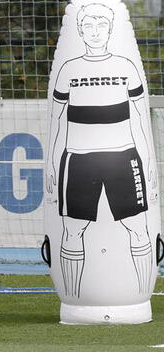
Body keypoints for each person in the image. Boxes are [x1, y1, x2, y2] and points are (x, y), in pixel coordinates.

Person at [46, 3, 155, 297]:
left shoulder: (126, 67)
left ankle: (138, 297)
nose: (95, 32)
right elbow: (57, 122)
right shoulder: (69, 69)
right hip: (78, 160)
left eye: (102, 26)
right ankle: (75, 298)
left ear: (111, 29)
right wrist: (52, 164)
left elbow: (141, 121)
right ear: (80, 31)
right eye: (89, 27)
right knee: (73, 230)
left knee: (138, 228)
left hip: (124, 157)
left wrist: (148, 164)